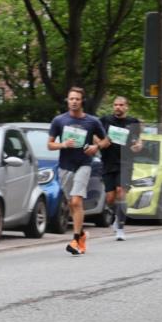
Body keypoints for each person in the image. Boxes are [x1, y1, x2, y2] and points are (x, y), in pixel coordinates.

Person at [47, 86, 109, 255]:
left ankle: (75, 240)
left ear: (82, 101)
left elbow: (105, 142)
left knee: (76, 201)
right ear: (67, 101)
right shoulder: (59, 121)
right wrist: (63, 144)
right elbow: (50, 144)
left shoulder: (92, 121)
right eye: (71, 99)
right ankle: (81, 235)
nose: (74, 102)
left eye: (77, 99)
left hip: (84, 163)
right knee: (71, 204)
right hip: (65, 166)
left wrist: (95, 147)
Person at [98, 96, 143, 241]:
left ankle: (120, 228)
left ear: (126, 107)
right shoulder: (105, 120)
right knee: (110, 198)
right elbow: (94, 136)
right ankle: (115, 214)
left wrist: (138, 146)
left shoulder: (133, 122)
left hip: (126, 162)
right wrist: (101, 143)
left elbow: (139, 140)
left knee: (120, 192)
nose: (118, 107)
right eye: (116, 105)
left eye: (121, 105)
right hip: (108, 162)